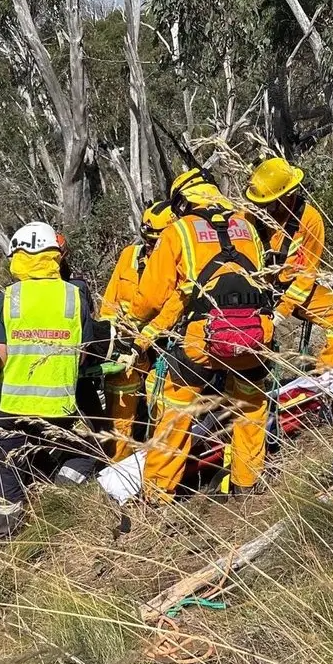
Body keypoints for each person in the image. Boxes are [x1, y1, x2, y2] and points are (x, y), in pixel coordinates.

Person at [123, 170, 274, 500]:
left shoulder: (178, 231)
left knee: (175, 414)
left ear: (181, 201)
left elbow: (151, 298)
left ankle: (158, 494)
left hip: (201, 342)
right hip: (253, 336)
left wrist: (132, 324)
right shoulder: (248, 226)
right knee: (249, 406)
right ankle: (246, 484)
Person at [0, 222, 99, 538]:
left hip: (10, 404)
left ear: (17, 256)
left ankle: (4, 532)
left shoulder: (7, 299)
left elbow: (0, 355)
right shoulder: (74, 297)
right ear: (54, 256)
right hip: (60, 403)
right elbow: (83, 354)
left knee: (9, 472)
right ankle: (60, 493)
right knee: (89, 450)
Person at [245, 156, 333, 369]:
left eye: (269, 205)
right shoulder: (247, 218)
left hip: (293, 290)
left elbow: (307, 274)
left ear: (289, 195)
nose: (264, 210)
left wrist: (281, 312)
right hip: (254, 290)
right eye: (259, 205)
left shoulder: (309, 220)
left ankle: (332, 371)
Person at [99, 201, 178, 461]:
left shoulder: (180, 264)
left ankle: (155, 463)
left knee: (162, 403)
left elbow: (172, 310)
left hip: (161, 346)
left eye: (158, 241)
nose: (152, 247)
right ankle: (117, 467)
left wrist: (144, 341)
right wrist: (112, 342)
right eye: (149, 239)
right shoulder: (129, 257)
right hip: (125, 347)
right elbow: (110, 303)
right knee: (120, 409)